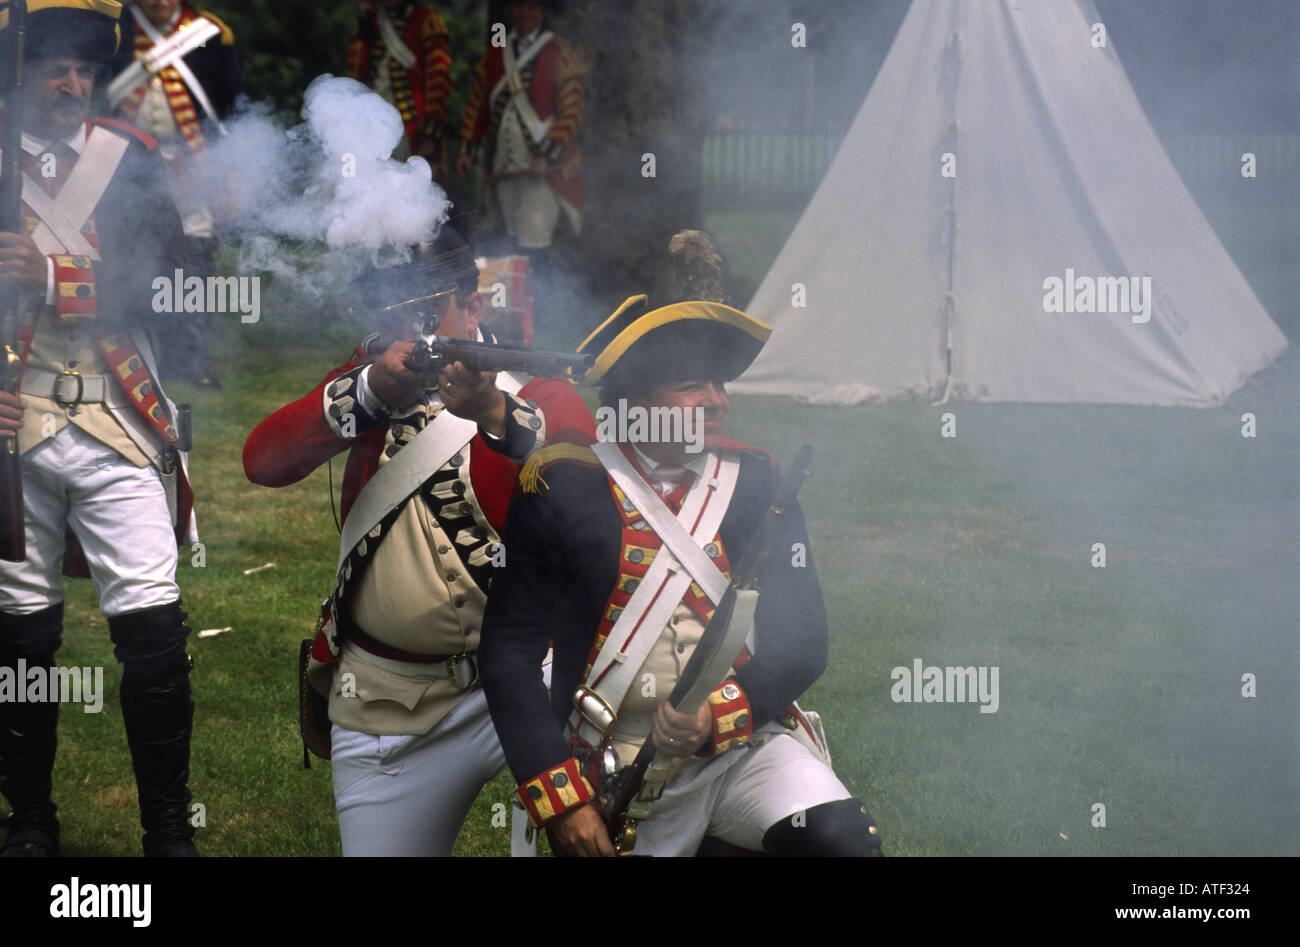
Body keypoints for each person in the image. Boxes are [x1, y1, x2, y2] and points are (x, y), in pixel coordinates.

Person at [478, 292, 884, 856]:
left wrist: (718, 717)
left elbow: (803, 638)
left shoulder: (758, 484)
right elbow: (509, 653)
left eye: (719, 385)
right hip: (610, 757)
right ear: (634, 403)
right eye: (692, 386)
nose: (716, 402)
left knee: (842, 840)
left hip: (741, 747)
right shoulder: (563, 487)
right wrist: (562, 799)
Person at [242, 226, 595, 856]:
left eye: (430, 311)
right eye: (394, 313)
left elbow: (580, 477)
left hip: (527, 685)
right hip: (387, 699)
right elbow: (263, 461)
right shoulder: (369, 380)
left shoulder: (528, 389)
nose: (413, 332)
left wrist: (491, 411)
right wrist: (373, 389)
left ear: (473, 306)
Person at [0, 0, 198, 858]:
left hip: (118, 414)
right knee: (22, 631)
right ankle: (31, 823)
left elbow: (182, 293)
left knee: (152, 630)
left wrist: (54, 274)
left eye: (83, 66)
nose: (71, 80)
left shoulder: (133, 161)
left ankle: (166, 830)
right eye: (52, 64)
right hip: (13, 423)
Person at [102, 0, 245, 387]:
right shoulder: (113, 26)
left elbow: (232, 108)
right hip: (128, 165)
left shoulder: (209, 35)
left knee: (195, 265)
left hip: (193, 166)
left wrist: (231, 175)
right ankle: (129, 355)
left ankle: (189, 360)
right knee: (128, 258)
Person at [456, 0, 582, 252]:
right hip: (504, 164)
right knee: (510, 238)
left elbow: (571, 112)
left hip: (542, 167)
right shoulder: (496, 50)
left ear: (542, 11)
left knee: (535, 234)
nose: (525, 13)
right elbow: (478, 104)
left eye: (533, 6)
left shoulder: (557, 50)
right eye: (519, 6)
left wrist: (546, 155)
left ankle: (544, 292)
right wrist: (468, 149)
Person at [347, 0, 452, 166]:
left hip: (413, 126)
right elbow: (356, 73)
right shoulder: (372, 21)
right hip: (375, 121)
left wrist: (429, 133)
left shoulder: (426, 17)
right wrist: (364, 26)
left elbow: (438, 78)